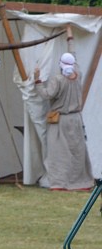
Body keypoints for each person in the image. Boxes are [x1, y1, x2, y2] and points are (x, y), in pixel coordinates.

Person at [33, 53, 93, 190]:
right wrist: (70, 37)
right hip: (76, 119)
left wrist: (37, 81)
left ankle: (59, 183)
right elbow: (74, 59)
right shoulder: (79, 75)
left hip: (61, 120)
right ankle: (80, 182)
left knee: (58, 154)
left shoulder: (58, 80)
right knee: (77, 152)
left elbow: (47, 94)